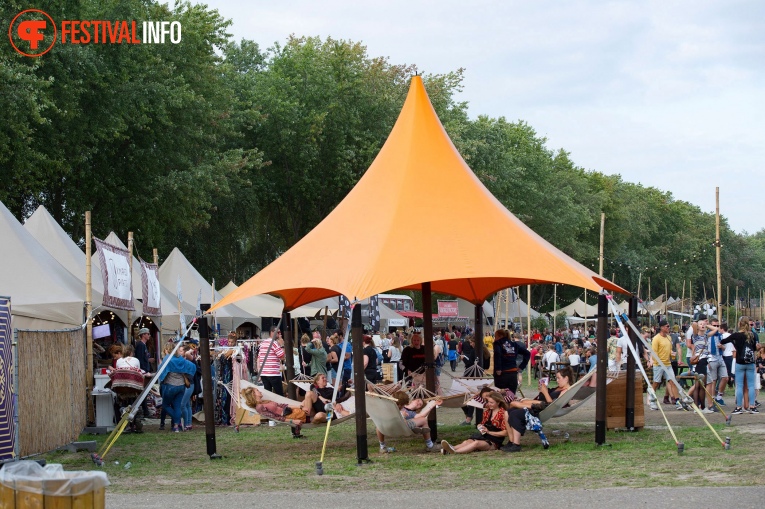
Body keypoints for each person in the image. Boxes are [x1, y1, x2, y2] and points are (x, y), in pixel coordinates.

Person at [502, 366, 575, 452]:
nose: (557, 380)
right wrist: (542, 392)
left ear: (566, 378)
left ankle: (516, 444)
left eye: (559, 378)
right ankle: (511, 441)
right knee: (508, 412)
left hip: (542, 409)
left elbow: (553, 405)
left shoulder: (565, 391)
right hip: (537, 405)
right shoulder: (559, 388)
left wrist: (545, 392)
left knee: (515, 414)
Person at [442, 392, 510, 454]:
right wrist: (480, 426)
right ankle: (451, 448)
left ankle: (455, 452)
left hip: (494, 441)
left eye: (491, 402)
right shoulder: (487, 411)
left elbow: (506, 432)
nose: (489, 404)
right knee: (467, 442)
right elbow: (482, 424)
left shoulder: (503, 413)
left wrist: (489, 432)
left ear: (498, 403)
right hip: (484, 435)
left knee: (476, 443)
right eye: (488, 402)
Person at [375, 391, 442, 453]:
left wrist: (433, 404)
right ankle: (430, 446)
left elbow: (421, 415)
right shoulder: (393, 404)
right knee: (379, 424)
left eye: (420, 405)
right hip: (392, 423)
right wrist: (402, 415)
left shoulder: (411, 413)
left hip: (401, 425)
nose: (418, 403)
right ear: (412, 400)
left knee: (423, 419)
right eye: (418, 401)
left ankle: (382, 447)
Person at [720, 316, 759, 414]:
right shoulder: (752, 335)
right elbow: (754, 348)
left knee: (740, 385)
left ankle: (738, 407)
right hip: (750, 363)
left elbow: (723, 341)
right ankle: (752, 406)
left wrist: (734, 343)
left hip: (739, 362)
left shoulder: (736, 335)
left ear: (739, 324)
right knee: (751, 385)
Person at [240, 386, 308, 437]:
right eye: (257, 390)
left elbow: (283, 405)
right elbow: (276, 418)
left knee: (308, 399)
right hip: (291, 415)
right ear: (253, 394)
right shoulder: (259, 407)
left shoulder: (265, 401)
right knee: (309, 396)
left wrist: (300, 406)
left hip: (293, 411)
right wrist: (292, 421)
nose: (260, 391)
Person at [158, 345, 197, 433]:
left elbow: (161, 370)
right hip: (181, 387)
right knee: (177, 406)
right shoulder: (181, 359)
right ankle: (176, 427)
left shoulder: (168, 359)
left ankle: (178, 420)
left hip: (170, 386)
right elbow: (192, 366)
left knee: (165, 405)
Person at [647, 319, 678, 411]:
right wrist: (654, 361)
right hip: (659, 365)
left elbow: (669, 350)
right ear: (661, 328)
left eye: (669, 326)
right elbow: (654, 352)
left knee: (673, 382)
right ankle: (652, 400)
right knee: (656, 382)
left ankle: (677, 401)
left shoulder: (669, 338)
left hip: (668, 364)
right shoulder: (656, 339)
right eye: (667, 326)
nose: (669, 328)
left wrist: (672, 354)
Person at [493, 329, 530, 395]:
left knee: (501, 397)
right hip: (513, 373)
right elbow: (527, 353)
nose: (495, 338)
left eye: (495, 336)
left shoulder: (498, 343)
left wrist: (498, 368)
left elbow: (497, 354)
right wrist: (522, 366)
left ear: (500, 336)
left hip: (502, 373)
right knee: (511, 396)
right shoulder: (514, 344)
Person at [257, 327, 286, 396]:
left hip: (264, 373)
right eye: (278, 332)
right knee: (279, 395)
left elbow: (259, 358)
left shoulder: (263, 343)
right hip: (273, 373)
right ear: (272, 332)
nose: (280, 334)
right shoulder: (274, 343)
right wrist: (282, 345)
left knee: (268, 395)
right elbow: (282, 357)